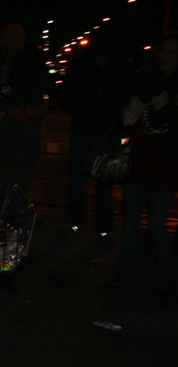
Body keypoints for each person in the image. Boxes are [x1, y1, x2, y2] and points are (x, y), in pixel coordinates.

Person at [113, 34, 178, 296]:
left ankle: (167, 281)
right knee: (131, 227)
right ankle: (125, 277)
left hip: (165, 171)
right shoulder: (146, 79)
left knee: (158, 228)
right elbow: (126, 120)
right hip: (138, 168)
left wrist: (164, 103)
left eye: (171, 52)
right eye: (163, 51)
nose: (164, 56)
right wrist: (141, 99)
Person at [60, 31, 132, 247]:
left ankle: (104, 227)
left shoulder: (121, 69)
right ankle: (73, 222)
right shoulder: (81, 67)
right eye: (99, 55)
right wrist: (83, 114)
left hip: (108, 131)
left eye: (106, 56)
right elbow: (66, 96)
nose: (101, 60)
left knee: (105, 182)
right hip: (84, 129)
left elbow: (126, 98)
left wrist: (112, 119)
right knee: (78, 180)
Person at [0, 23, 46, 196]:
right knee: (8, 163)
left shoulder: (30, 57)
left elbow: (35, 85)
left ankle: (17, 201)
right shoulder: (9, 57)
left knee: (24, 165)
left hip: (28, 117)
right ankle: (8, 200)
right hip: (14, 115)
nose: (5, 43)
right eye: (3, 39)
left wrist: (14, 94)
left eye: (8, 39)